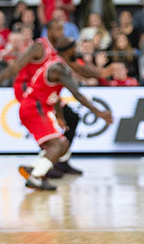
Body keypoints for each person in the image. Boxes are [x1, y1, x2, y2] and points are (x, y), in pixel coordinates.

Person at [0, 18, 109, 177]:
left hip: (45, 91)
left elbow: (76, 67)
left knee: (71, 118)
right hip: (27, 89)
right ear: (49, 31)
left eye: (62, 30)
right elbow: (16, 66)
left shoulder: (59, 50)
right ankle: (45, 167)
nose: (61, 33)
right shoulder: (39, 46)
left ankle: (56, 162)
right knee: (45, 127)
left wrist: (101, 73)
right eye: (58, 30)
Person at [17, 36, 113, 190]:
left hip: (37, 107)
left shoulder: (58, 64)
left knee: (62, 144)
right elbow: (77, 93)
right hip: (34, 108)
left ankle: (35, 168)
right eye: (75, 47)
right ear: (69, 51)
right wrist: (99, 112)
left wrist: (60, 116)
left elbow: (55, 95)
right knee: (58, 145)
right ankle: (36, 177)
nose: (77, 50)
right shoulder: (58, 68)